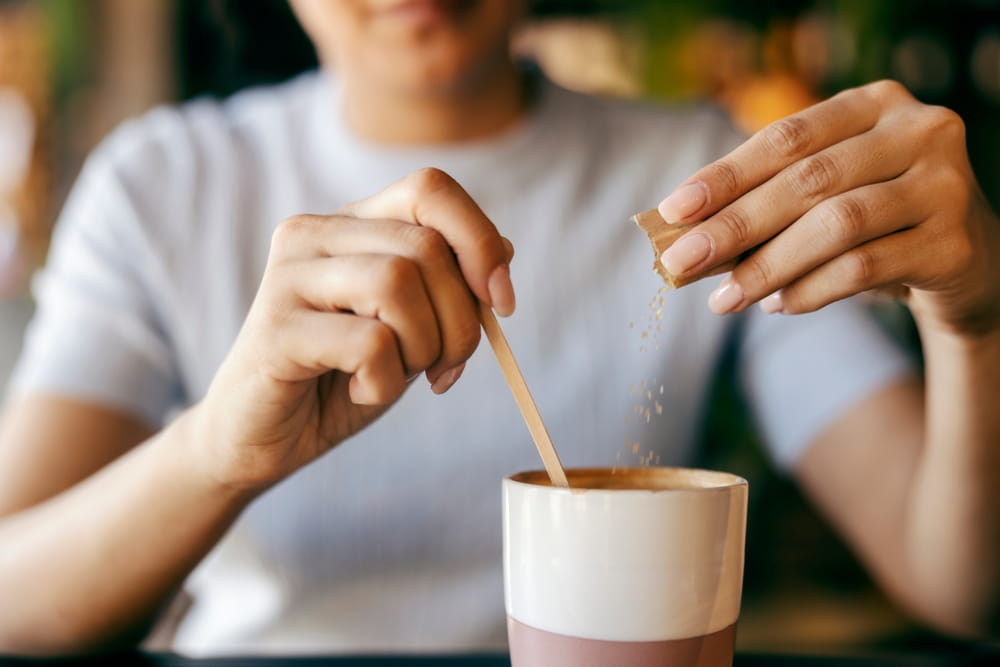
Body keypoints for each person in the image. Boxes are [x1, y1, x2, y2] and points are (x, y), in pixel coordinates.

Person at [1, 0, 998, 656]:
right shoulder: (161, 187)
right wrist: (216, 450)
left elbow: (962, 586)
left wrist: (977, 320)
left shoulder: (708, 185)